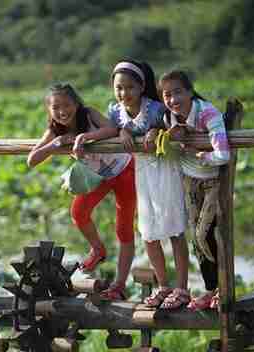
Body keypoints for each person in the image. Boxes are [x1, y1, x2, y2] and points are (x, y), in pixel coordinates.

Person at [27, 83, 135, 300]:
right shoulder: (55, 130)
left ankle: (119, 285)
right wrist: (55, 144)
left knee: (123, 228)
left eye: (67, 105)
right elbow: (32, 160)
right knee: (79, 212)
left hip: (124, 169)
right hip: (98, 176)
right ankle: (98, 250)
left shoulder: (89, 114)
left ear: (76, 104)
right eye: (56, 107)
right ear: (49, 110)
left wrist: (83, 137)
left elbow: (112, 129)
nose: (62, 111)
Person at [108, 60, 190, 309]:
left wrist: (156, 130)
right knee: (148, 231)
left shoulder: (155, 109)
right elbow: (112, 130)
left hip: (165, 168)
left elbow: (180, 130)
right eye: (119, 88)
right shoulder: (115, 112)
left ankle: (182, 289)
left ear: (143, 87)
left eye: (130, 87)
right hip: (143, 173)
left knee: (174, 228)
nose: (124, 93)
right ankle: (163, 286)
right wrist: (120, 132)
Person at [157, 70, 230, 310]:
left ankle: (223, 288)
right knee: (197, 241)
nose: (173, 99)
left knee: (206, 234)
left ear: (189, 91)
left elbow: (222, 155)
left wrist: (201, 153)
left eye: (178, 92)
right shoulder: (170, 118)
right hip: (189, 180)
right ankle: (211, 290)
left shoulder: (209, 114)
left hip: (212, 181)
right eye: (167, 95)